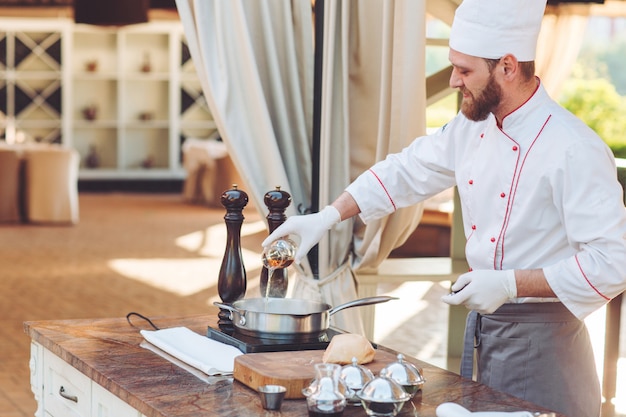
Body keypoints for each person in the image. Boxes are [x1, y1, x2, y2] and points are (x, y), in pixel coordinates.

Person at [263, 0, 626, 415]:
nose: (454, 80)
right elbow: (404, 171)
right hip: (486, 335)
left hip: (547, 348)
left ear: (507, 66)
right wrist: (328, 216)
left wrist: (511, 284)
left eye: (465, 69)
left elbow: (613, 263)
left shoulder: (574, 148)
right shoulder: (472, 127)